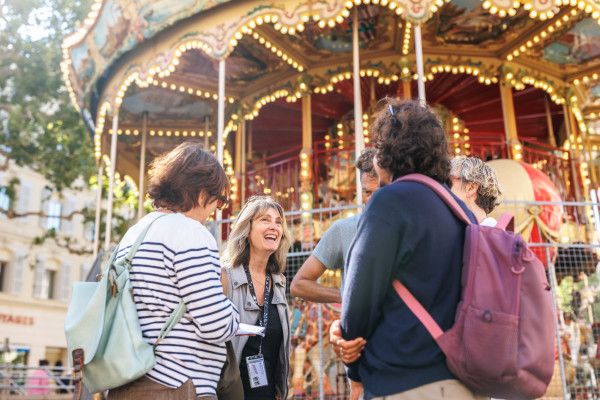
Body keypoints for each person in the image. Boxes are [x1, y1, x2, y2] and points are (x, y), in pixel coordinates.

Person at [340, 98, 483, 400]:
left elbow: (360, 296)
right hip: (463, 380)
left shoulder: (390, 201)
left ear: (387, 152)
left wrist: (352, 361)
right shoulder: (460, 211)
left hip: (406, 380)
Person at [107, 142, 240, 400]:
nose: (215, 210)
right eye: (219, 200)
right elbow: (214, 324)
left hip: (128, 380)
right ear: (202, 194)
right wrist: (234, 314)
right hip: (177, 383)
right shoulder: (191, 233)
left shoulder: (134, 234)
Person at [221, 196, 292, 400]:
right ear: (247, 231)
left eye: (278, 222)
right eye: (265, 220)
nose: (274, 227)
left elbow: (278, 349)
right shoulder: (224, 277)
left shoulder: (279, 282)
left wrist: (279, 389)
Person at [290, 148, 380, 303]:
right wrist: (347, 296)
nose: (373, 200)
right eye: (367, 192)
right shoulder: (344, 229)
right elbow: (299, 284)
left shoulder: (410, 226)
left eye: (380, 191)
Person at [449, 155, 502, 226]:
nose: (443, 185)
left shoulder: (492, 235)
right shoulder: (492, 232)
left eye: (448, 179)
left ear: (471, 188)